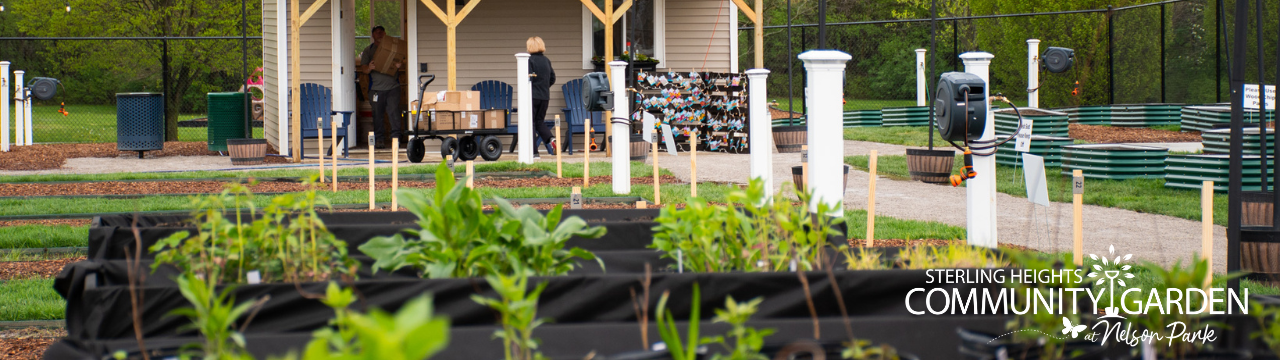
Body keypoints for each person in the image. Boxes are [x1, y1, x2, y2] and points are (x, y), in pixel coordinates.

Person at [359, 26, 403, 149]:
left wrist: (400, 64)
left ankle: (396, 139)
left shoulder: (393, 49)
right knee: (377, 115)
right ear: (372, 35)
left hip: (393, 87)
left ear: (385, 34)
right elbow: (364, 69)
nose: (379, 34)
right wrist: (369, 68)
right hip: (376, 89)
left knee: (394, 113)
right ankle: (379, 139)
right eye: (376, 32)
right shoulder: (369, 50)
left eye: (381, 32)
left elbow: (402, 60)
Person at [527, 36, 557, 158]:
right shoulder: (546, 60)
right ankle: (551, 139)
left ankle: (534, 153)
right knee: (539, 121)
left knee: (531, 123)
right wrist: (544, 87)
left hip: (532, 96)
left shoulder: (529, 60)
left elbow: (527, 78)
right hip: (545, 96)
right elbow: (552, 78)